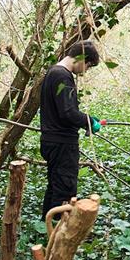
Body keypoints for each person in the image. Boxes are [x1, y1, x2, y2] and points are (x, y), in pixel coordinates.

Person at [39, 40, 103, 218]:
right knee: (64, 189)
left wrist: (86, 120)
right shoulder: (62, 76)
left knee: (54, 186)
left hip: (51, 141)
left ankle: (47, 228)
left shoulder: (53, 72)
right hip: (62, 143)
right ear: (81, 58)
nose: (85, 71)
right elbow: (67, 113)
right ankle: (60, 235)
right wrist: (88, 121)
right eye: (88, 66)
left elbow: (64, 110)